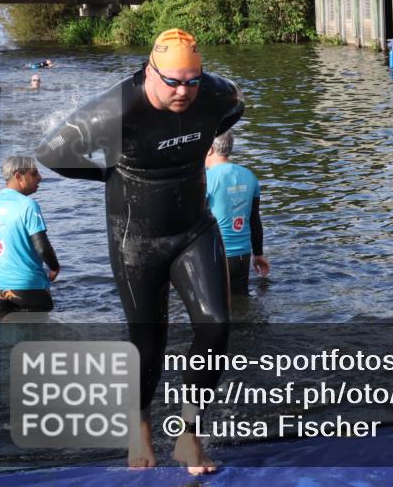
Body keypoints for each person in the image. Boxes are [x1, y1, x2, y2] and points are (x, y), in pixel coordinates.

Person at [35, 28, 243, 474]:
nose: (183, 91)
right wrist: (110, 174)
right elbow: (51, 152)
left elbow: (233, 108)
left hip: (193, 227)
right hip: (136, 238)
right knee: (148, 342)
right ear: (150, 71)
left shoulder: (215, 94)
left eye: (192, 80)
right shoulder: (117, 108)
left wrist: (195, 143)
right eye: (172, 81)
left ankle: (189, 434)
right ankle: (140, 425)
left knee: (216, 325)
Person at [0, 155, 61, 313]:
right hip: (30, 289)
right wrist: (54, 267)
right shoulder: (28, 206)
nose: (40, 178)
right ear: (18, 176)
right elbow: (42, 247)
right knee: (42, 336)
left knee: (3, 337)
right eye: (34, 174)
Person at [205, 131, 270, 295]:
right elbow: (255, 220)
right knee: (241, 302)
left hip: (216, 255)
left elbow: (191, 222)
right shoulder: (250, 176)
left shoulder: (205, 178)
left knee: (215, 309)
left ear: (209, 149)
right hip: (243, 255)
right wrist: (259, 254)